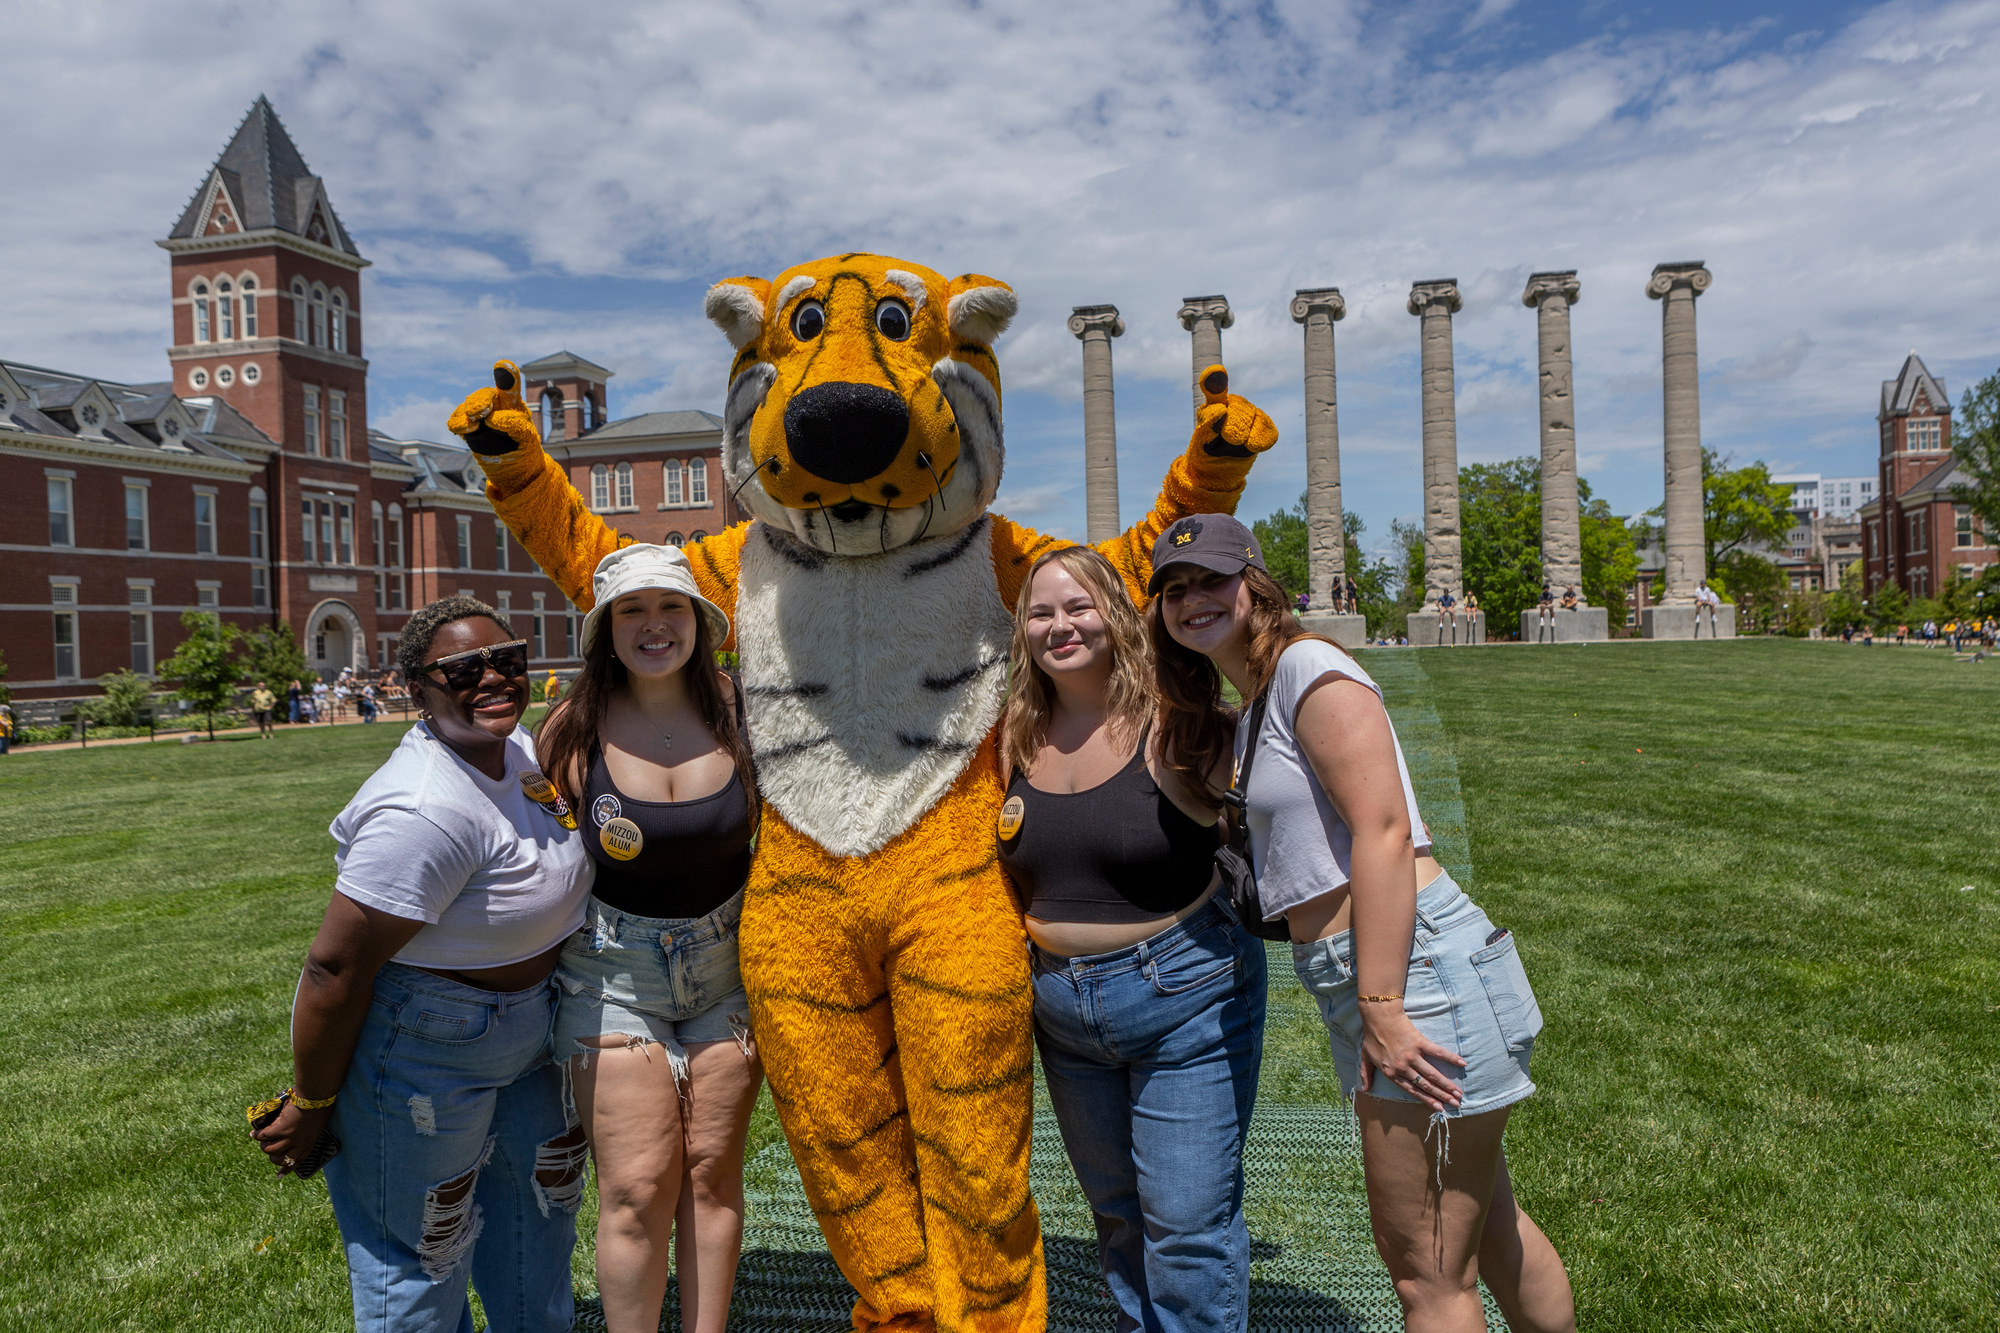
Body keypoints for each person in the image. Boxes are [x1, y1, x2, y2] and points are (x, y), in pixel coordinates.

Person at [1150, 514, 1576, 1333]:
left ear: (1254, 584)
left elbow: (1382, 829)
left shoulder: (1308, 667)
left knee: (1427, 1273)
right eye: (1173, 589)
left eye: (1211, 579)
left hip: (1409, 975)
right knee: (1485, 1226)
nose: (1192, 598)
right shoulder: (1259, 695)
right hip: (1388, 973)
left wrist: (1381, 1004)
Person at [252, 596, 593, 1332]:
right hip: (426, 1049)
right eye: (463, 669)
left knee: (538, 1224)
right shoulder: (421, 809)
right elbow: (334, 969)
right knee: (421, 1255)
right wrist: (311, 1102)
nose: (493, 677)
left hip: (535, 1034)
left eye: (507, 659)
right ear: (416, 688)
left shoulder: (518, 748)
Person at [996, 545, 1262, 1333]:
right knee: (1118, 1215)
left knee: (1185, 1227)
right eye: (1041, 612)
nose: (1060, 625)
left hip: (1186, 994)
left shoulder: (1176, 724)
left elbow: (1283, 787)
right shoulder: (1015, 736)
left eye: (1078, 606)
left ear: (1115, 614)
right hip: (1061, 1012)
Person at [533, 545, 763, 1333]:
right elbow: (533, 859)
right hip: (611, 970)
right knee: (634, 1187)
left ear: (699, 621)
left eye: (671, 606)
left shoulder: (744, 712)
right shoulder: (571, 729)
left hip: (726, 965)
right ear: (606, 629)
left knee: (710, 1174)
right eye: (631, 609)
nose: (653, 624)